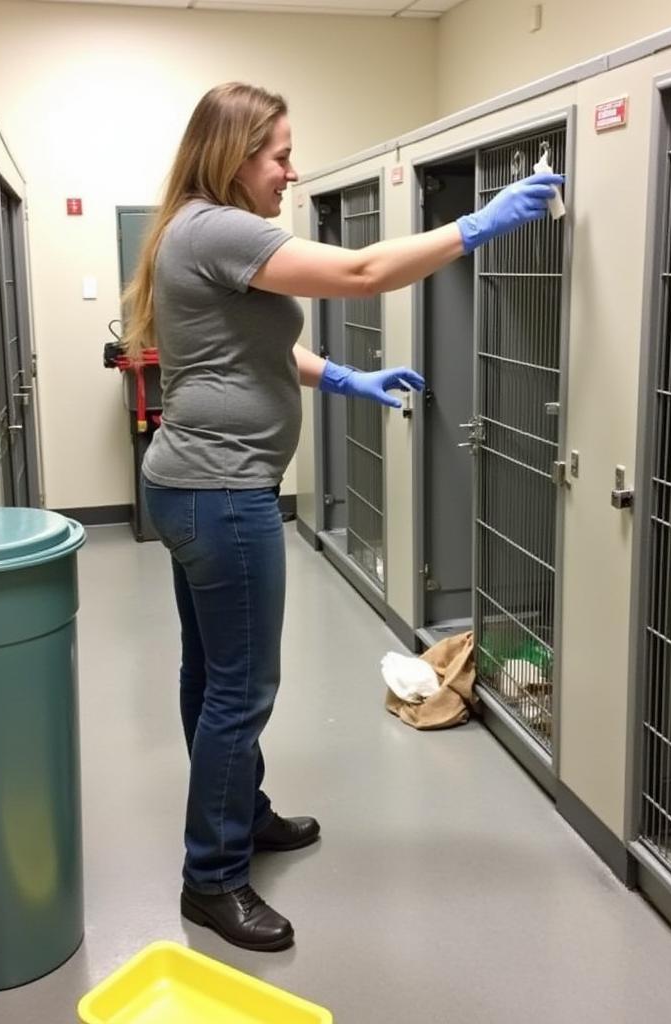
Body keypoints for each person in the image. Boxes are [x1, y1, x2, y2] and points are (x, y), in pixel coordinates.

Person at [122, 82, 563, 953]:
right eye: (280, 154)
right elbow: (361, 274)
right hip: (223, 494)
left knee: (210, 675)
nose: (292, 169)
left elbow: (253, 346)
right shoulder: (221, 226)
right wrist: (476, 225)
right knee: (241, 689)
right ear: (234, 155)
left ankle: (238, 816)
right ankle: (211, 879)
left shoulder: (189, 231)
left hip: (186, 483)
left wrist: (345, 379)